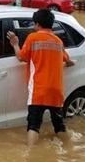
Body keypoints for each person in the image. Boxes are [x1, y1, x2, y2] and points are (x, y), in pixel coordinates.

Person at [6, 9, 75, 146]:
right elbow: (67, 59)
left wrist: (15, 44)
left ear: (37, 24)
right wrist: (69, 63)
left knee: (34, 124)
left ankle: (31, 154)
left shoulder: (33, 38)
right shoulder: (58, 41)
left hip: (38, 89)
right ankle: (70, 148)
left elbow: (21, 57)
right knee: (59, 125)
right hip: (56, 91)